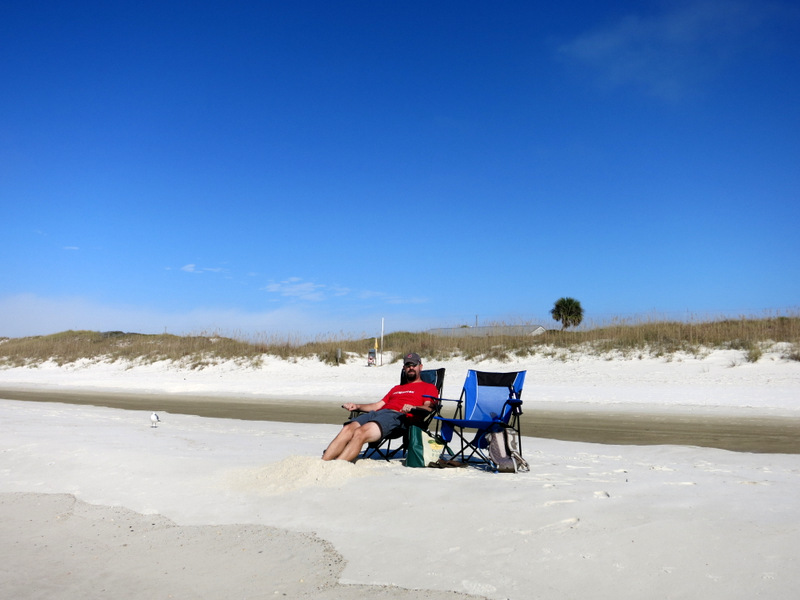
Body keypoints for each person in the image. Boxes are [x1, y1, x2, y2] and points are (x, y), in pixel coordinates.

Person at [322, 352, 439, 461]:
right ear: (404, 368)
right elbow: (378, 405)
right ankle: (324, 462)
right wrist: (357, 406)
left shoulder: (428, 387)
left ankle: (338, 465)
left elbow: (429, 407)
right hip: (378, 414)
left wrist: (414, 408)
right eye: (408, 365)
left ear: (420, 367)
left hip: (397, 417)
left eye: (414, 365)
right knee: (347, 429)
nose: (411, 367)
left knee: (360, 432)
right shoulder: (396, 388)